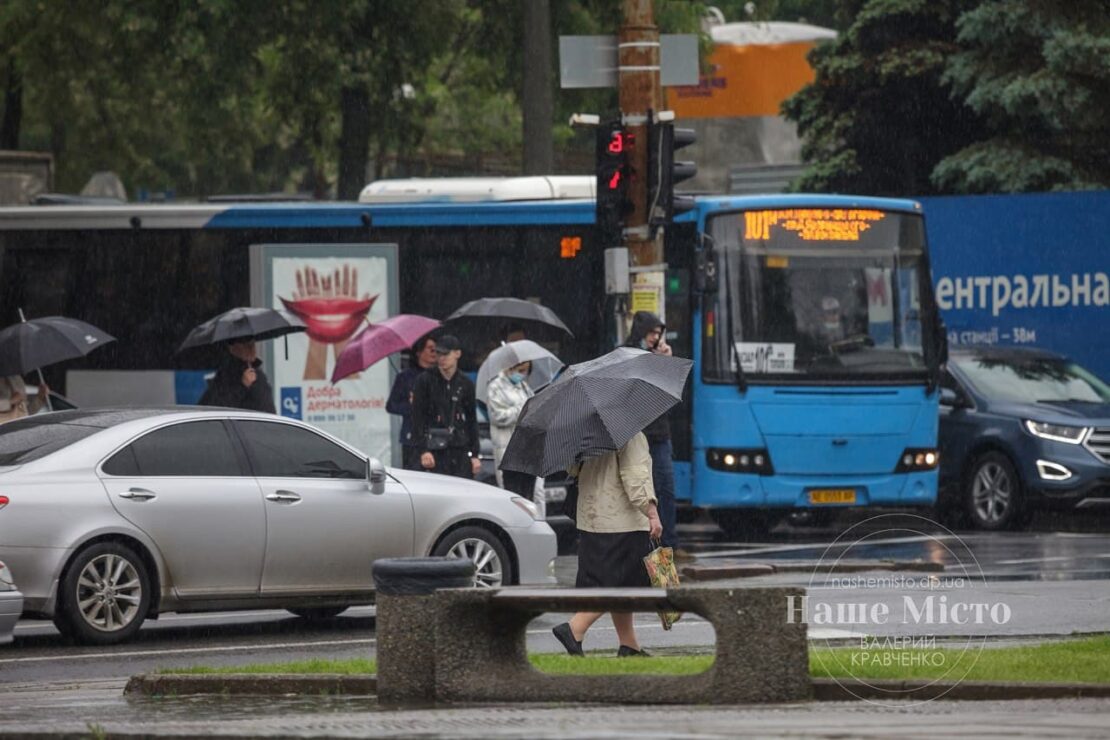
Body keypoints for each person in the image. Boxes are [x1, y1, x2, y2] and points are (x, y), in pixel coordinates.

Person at [552, 432, 663, 657]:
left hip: (592, 518)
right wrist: (651, 512)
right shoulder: (630, 434)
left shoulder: (587, 433)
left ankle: (629, 645)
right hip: (622, 520)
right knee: (620, 585)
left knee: (617, 582)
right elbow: (635, 476)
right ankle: (574, 629)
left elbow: (572, 469)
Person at [623, 311, 689, 560]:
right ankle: (645, 547)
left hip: (661, 434)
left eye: (658, 334)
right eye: (651, 333)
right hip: (637, 434)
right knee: (642, 491)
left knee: (666, 489)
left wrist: (668, 364)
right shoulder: (626, 355)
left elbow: (673, 397)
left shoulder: (661, 357)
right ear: (641, 332)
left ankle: (669, 545)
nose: (654, 338)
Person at [410, 334, 481, 479]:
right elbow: (417, 418)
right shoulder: (424, 380)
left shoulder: (465, 383)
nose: (441, 358)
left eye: (446, 354)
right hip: (434, 447)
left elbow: (471, 420)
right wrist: (423, 450)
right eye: (438, 354)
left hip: (459, 447)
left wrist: (474, 454)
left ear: (457, 354)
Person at [386, 335, 437, 470]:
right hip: (412, 436)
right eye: (430, 349)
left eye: (436, 349)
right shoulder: (405, 377)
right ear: (419, 352)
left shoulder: (439, 376)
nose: (434, 352)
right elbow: (392, 405)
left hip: (437, 436)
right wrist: (412, 406)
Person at [487, 360, 537, 498]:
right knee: (512, 496)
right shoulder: (495, 387)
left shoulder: (524, 387)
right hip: (508, 449)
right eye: (520, 370)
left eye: (526, 371)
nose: (522, 374)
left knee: (530, 496)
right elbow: (497, 416)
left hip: (526, 450)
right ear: (511, 368)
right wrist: (521, 410)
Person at [198, 338, 276, 413]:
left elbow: (267, 406)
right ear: (232, 348)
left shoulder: (258, 374)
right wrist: (242, 386)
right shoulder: (226, 375)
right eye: (246, 345)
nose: (251, 349)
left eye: (252, 345)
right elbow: (217, 407)